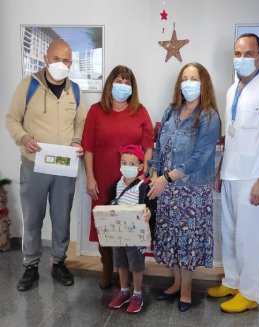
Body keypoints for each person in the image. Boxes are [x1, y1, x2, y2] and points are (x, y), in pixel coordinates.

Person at [207, 33, 259, 313]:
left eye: (248, 53)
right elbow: (232, 136)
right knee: (228, 233)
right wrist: (220, 170)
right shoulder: (232, 89)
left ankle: (250, 293)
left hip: (252, 177)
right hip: (230, 174)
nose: (242, 59)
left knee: (248, 237)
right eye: (238, 53)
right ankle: (232, 281)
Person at [6, 39, 86, 291]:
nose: (60, 65)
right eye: (56, 59)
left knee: (61, 217)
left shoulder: (74, 90)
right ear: (45, 58)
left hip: (63, 167)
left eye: (66, 61)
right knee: (33, 218)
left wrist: (75, 141)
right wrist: (24, 138)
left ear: (71, 63)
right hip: (34, 165)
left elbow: (81, 123)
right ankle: (30, 266)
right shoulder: (28, 85)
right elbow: (11, 119)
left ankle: (59, 262)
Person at [148, 62, 221, 312]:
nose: (189, 82)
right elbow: (158, 146)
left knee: (188, 241)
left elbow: (199, 158)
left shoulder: (209, 116)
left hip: (191, 192)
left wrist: (165, 178)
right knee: (170, 239)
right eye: (185, 78)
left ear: (204, 83)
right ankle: (176, 283)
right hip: (166, 190)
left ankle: (187, 290)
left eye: (194, 78)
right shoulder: (170, 112)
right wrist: (154, 171)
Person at [82, 65, 154, 289]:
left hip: (132, 178)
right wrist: (90, 177)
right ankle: (107, 266)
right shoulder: (95, 110)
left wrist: (144, 172)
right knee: (105, 221)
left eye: (126, 82)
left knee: (131, 221)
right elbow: (88, 147)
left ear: (132, 88)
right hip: (103, 175)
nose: (122, 86)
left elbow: (148, 144)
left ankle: (132, 270)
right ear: (109, 84)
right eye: (118, 81)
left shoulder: (140, 111)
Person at [108, 144, 154, 314]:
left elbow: (151, 207)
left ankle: (137, 294)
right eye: (124, 163)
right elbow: (109, 205)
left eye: (131, 164)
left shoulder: (144, 186)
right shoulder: (115, 185)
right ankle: (124, 291)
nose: (126, 167)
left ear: (140, 167)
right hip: (119, 233)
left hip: (136, 234)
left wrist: (149, 213)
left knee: (135, 265)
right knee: (120, 262)